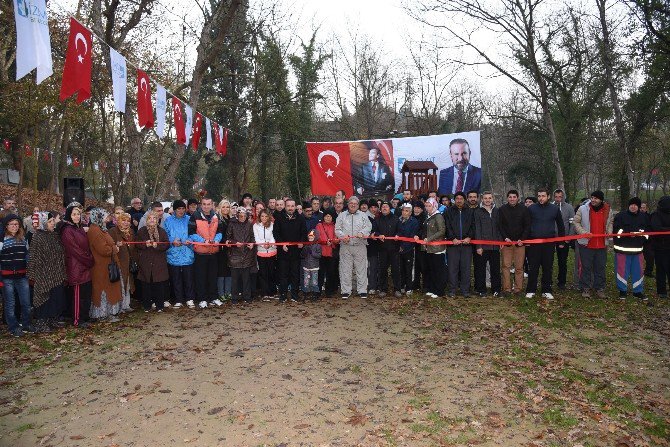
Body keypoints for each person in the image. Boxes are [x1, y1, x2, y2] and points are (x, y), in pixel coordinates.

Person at [525, 189, 565, 300]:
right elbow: (527, 225)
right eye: (539, 196)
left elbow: (561, 226)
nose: (541, 198)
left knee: (548, 267)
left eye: (543, 196)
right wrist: (527, 240)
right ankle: (531, 289)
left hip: (549, 243)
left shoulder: (555, 209)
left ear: (548, 196)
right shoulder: (531, 208)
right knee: (533, 267)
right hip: (534, 243)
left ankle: (546, 290)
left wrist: (561, 241)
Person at [573, 191, 613, 298]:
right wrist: (583, 233)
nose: (593, 200)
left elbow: (610, 222)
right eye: (592, 198)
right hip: (586, 244)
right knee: (586, 267)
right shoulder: (582, 209)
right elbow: (576, 222)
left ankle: (600, 288)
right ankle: (585, 288)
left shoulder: (608, 210)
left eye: (596, 198)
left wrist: (609, 231)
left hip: (601, 244)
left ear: (601, 200)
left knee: (600, 267)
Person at [59, 203, 94, 327]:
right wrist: (89, 260)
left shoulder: (79, 228)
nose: (77, 216)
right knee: (78, 296)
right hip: (76, 267)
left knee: (86, 294)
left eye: (78, 214)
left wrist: (88, 259)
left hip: (85, 266)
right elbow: (74, 250)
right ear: (69, 215)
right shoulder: (67, 230)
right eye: (74, 214)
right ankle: (77, 319)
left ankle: (85, 317)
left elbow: (86, 246)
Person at [87, 208, 122, 321]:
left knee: (110, 289)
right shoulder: (95, 231)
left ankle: (109, 313)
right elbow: (103, 249)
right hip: (102, 267)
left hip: (107, 265)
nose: (108, 218)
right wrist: (114, 249)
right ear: (99, 217)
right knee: (103, 291)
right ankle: (102, 314)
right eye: (105, 216)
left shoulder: (101, 229)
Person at [188, 197, 224, 308]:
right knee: (201, 277)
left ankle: (213, 297)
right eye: (204, 204)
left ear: (212, 205)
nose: (206, 206)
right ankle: (202, 299)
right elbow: (191, 233)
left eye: (208, 204)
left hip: (213, 252)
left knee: (213, 276)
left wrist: (217, 240)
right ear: (201, 205)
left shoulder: (216, 216)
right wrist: (203, 241)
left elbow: (220, 231)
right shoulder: (195, 216)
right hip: (201, 252)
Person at [1, 214, 33, 336]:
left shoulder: (23, 238)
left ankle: (26, 324)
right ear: (6, 226)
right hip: (7, 277)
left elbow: (27, 256)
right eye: (12, 224)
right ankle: (13, 327)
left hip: (22, 276)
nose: (14, 226)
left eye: (16, 224)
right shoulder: (2, 239)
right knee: (10, 304)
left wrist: (29, 270)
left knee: (26, 302)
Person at [613, 197, 649, 302]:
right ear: (628, 205)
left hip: (638, 250)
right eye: (631, 204)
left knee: (638, 272)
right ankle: (622, 291)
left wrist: (641, 236)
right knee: (622, 271)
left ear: (638, 207)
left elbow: (648, 232)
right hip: (622, 250)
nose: (633, 206)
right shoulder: (620, 216)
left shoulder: (644, 217)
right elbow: (616, 231)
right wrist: (628, 233)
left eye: (635, 205)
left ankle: (638, 291)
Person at [335, 196, 372, 299]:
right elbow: (337, 229)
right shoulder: (342, 216)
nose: (353, 205)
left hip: (360, 245)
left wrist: (362, 232)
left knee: (361, 269)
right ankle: (346, 290)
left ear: (358, 205)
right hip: (345, 246)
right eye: (351, 203)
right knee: (345, 269)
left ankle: (362, 290)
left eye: (355, 204)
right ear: (348, 204)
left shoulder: (363, 216)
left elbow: (368, 227)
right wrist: (343, 237)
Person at [135, 211, 170, 312]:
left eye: (154, 218)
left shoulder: (162, 231)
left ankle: (159, 305)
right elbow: (137, 244)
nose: (152, 220)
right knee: (146, 285)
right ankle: (147, 306)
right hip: (146, 262)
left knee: (159, 285)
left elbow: (167, 244)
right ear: (146, 220)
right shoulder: (142, 231)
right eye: (150, 218)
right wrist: (145, 244)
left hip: (159, 262)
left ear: (157, 220)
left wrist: (157, 245)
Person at [163, 200, 195, 309]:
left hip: (187, 253)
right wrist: (172, 240)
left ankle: (190, 298)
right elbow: (165, 235)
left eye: (182, 208)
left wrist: (189, 240)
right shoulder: (168, 221)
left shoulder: (189, 219)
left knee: (188, 278)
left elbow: (194, 232)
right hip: (174, 254)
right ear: (174, 210)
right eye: (178, 209)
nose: (181, 211)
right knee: (176, 278)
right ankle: (178, 299)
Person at [273, 199, 306, 302]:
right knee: (283, 274)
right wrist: (281, 243)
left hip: (296, 252)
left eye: (292, 206)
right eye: (288, 206)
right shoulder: (279, 218)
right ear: (285, 207)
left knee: (295, 274)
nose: (290, 208)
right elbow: (276, 233)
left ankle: (294, 295)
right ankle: (283, 295)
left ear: (295, 207)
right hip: (283, 251)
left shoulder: (300, 218)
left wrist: (301, 242)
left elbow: (304, 232)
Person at [499, 190, 531, 295]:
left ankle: (518, 289)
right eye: (510, 197)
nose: (512, 199)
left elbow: (527, 225)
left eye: (514, 197)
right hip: (507, 243)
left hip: (520, 243)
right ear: (507, 198)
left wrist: (522, 238)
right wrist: (505, 238)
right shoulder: (502, 209)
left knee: (519, 267)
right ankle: (506, 289)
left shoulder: (524, 209)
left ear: (517, 198)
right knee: (506, 266)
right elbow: (500, 226)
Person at [444, 192, 475, 297]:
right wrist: (452, 238)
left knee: (466, 268)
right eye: (457, 198)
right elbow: (447, 226)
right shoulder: (448, 211)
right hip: (453, 245)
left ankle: (465, 290)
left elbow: (473, 226)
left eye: (461, 198)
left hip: (467, 245)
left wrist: (469, 237)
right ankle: (452, 290)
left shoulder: (470, 212)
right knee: (453, 268)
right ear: (454, 200)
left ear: (464, 200)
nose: (459, 200)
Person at [415, 197, 447, 298]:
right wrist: (418, 236)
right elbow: (424, 230)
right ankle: (432, 289)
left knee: (438, 270)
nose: (427, 208)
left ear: (434, 206)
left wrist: (429, 239)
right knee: (431, 269)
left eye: (429, 206)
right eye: (426, 206)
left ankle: (439, 291)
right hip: (428, 248)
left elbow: (442, 231)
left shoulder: (438, 216)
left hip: (437, 248)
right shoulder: (428, 217)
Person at [474, 192, 502, 297]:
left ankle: (496, 290)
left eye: (489, 198)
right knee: (481, 269)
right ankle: (482, 290)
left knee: (495, 269)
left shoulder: (497, 211)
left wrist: (500, 241)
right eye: (485, 198)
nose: (487, 200)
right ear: (482, 199)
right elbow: (477, 229)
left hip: (495, 246)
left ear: (493, 199)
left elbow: (499, 228)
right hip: (483, 246)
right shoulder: (478, 212)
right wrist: (479, 246)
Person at [226, 207, 255, 304]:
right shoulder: (232, 223)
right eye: (240, 216)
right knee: (235, 280)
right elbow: (228, 238)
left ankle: (247, 297)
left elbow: (252, 237)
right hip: (235, 255)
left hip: (247, 255)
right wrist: (234, 243)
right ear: (237, 215)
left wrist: (252, 243)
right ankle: (234, 298)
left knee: (246, 279)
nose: (242, 217)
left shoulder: (249, 224)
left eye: (244, 216)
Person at [108, 212, 136, 312]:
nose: (126, 223)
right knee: (120, 284)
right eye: (123, 220)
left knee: (128, 284)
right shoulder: (113, 231)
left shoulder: (131, 232)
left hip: (128, 262)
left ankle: (126, 304)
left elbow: (134, 248)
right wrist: (117, 245)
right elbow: (110, 245)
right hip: (118, 262)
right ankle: (118, 306)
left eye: (128, 221)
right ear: (119, 221)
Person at [374, 201, 401, 297]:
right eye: (383, 207)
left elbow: (400, 230)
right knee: (382, 270)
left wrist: (398, 235)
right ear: (381, 209)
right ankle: (383, 289)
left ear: (390, 208)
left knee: (395, 270)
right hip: (382, 249)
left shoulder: (396, 219)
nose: (384, 208)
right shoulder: (377, 219)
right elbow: (374, 232)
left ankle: (397, 289)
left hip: (394, 248)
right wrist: (378, 235)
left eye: (386, 207)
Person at [552, 189, 575, 289]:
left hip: (564, 239)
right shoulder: (550, 207)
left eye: (560, 197)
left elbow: (572, 224)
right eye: (556, 197)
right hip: (551, 239)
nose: (558, 199)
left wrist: (568, 238)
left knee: (562, 261)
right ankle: (548, 281)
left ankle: (562, 282)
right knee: (549, 261)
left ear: (563, 197)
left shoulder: (569, 208)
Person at [397, 203, 419, 295]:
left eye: (406, 211)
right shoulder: (398, 220)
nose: (404, 212)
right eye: (403, 210)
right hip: (399, 249)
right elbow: (397, 233)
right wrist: (399, 246)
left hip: (409, 249)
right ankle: (402, 285)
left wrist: (404, 246)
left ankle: (409, 287)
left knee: (409, 269)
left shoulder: (414, 222)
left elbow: (411, 236)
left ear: (410, 213)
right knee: (401, 268)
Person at [254, 209, 277, 300]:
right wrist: (264, 244)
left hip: (271, 251)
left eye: (266, 216)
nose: (264, 218)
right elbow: (256, 238)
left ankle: (272, 291)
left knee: (271, 272)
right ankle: (264, 292)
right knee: (263, 273)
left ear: (269, 217)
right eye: (262, 216)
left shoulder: (272, 225)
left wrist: (270, 243)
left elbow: (273, 236)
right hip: (261, 252)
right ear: (259, 217)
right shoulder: (256, 226)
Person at [650, 196, 670, 299]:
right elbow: (656, 228)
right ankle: (661, 291)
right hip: (660, 246)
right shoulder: (656, 215)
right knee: (661, 269)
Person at [316, 209, 339, 297]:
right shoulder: (319, 225)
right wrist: (325, 241)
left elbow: (336, 237)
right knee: (320, 273)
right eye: (326, 216)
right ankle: (318, 291)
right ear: (323, 217)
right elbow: (317, 237)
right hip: (321, 252)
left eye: (330, 216)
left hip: (331, 253)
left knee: (331, 272)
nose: (328, 218)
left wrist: (334, 241)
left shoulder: (335, 226)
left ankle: (329, 291)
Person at [216, 200, 232, 302]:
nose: (225, 209)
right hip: (221, 248)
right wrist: (223, 241)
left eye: (227, 207)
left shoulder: (231, 219)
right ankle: (221, 293)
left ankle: (228, 292)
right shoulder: (217, 219)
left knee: (229, 270)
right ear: (220, 208)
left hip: (230, 248)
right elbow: (217, 233)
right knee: (221, 272)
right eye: (223, 207)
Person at [301, 229, 322, 301]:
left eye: (312, 237)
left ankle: (315, 294)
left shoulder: (318, 246)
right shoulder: (306, 245)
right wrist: (304, 251)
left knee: (314, 282)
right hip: (306, 267)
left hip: (314, 267)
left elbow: (319, 255)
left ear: (315, 237)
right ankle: (306, 293)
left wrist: (312, 253)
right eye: (309, 237)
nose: (310, 239)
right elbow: (302, 255)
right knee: (306, 281)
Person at [412, 201, 427, 291]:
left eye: (419, 208)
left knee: (423, 266)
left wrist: (418, 235)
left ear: (422, 209)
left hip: (422, 246)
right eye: (415, 208)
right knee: (415, 265)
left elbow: (424, 230)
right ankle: (416, 284)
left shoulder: (425, 218)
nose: (416, 210)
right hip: (413, 245)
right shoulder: (412, 217)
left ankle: (425, 285)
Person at [640, 202, 655, 278]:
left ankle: (648, 272)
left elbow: (651, 227)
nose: (642, 209)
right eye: (641, 207)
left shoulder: (650, 217)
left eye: (644, 208)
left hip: (647, 240)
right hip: (637, 240)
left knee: (650, 256)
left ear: (646, 209)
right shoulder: (636, 216)